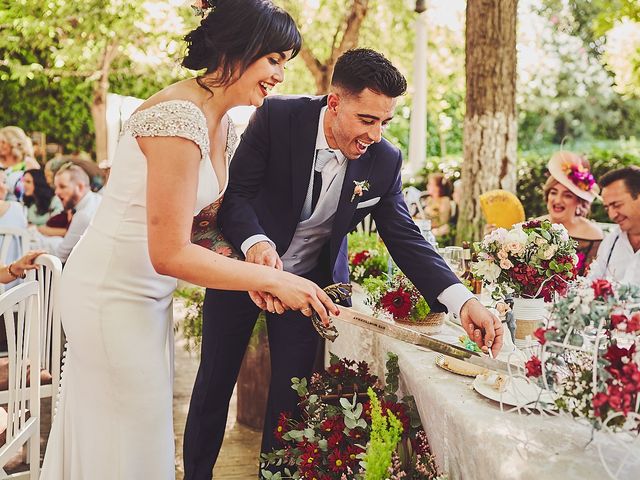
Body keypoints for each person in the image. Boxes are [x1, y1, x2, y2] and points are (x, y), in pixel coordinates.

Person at [39, 2, 338, 478]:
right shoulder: (178, 117)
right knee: (130, 435)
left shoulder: (222, 123)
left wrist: (252, 260)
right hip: (111, 293)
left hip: (147, 297)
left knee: (135, 431)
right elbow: (169, 251)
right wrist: (270, 280)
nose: (281, 75)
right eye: (274, 59)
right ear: (240, 50)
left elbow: (201, 226)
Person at [183, 48, 503, 478]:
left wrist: (464, 302)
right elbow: (237, 197)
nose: (376, 134)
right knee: (213, 386)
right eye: (367, 120)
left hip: (310, 290)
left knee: (292, 397)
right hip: (243, 271)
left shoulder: (384, 160)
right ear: (334, 103)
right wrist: (256, 246)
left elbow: (407, 239)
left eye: (384, 122)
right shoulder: (277, 118)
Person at [541, 151, 603, 276]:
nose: (557, 200)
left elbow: (593, 278)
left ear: (578, 202)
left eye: (567, 195)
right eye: (553, 192)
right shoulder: (532, 227)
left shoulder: (593, 235)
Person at [588, 166, 640, 284]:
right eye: (607, 208)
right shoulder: (610, 242)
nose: (612, 215)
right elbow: (592, 284)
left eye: (617, 205)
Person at [39, 163, 102, 262]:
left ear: (80, 187)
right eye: (56, 187)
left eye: (62, 187)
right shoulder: (98, 200)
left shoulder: (83, 215)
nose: (57, 192)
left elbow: (60, 256)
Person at [0, 126, 40, 201]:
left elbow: (40, 190)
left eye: (4, 142)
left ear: (13, 143)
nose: (1, 145)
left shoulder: (28, 164)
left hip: (24, 208)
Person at [424, 172, 453, 239]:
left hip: (437, 233)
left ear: (438, 187)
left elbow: (443, 222)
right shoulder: (429, 199)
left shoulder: (444, 200)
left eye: (430, 184)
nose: (427, 186)